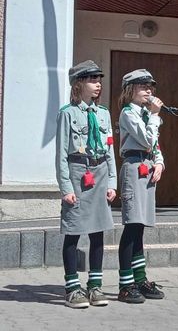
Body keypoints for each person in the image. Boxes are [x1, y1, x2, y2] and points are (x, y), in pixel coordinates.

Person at [55, 60, 116, 308]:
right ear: (79, 84)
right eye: (92, 80)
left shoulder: (103, 114)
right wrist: (66, 188)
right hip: (78, 172)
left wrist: (112, 181)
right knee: (73, 232)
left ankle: (95, 285)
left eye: (99, 80)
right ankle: (72, 288)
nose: (98, 84)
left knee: (98, 232)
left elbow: (110, 150)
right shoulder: (67, 113)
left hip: (100, 172)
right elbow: (60, 154)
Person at [116, 69, 166, 303]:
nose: (148, 91)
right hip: (133, 166)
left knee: (140, 227)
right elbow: (146, 139)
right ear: (130, 90)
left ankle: (140, 278)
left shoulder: (147, 114)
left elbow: (155, 144)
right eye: (143, 86)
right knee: (132, 226)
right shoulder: (128, 113)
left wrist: (159, 162)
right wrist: (155, 116)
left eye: (150, 87)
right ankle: (125, 284)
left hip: (147, 167)